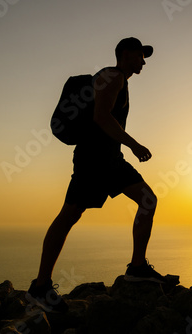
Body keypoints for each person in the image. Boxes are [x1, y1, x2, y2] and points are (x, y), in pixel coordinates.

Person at [26, 37, 165, 313]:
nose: (144, 61)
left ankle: (137, 267)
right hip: (94, 159)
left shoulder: (117, 80)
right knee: (70, 214)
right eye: (140, 55)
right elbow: (101, 117)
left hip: (111, 159)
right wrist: (134, 143)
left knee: (147, 200)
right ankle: (40, 288)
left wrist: (122, 147)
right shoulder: (113, 77)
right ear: (126, 54)